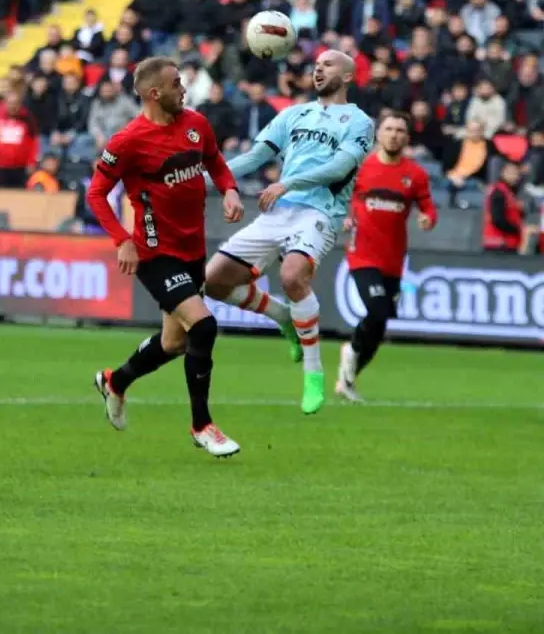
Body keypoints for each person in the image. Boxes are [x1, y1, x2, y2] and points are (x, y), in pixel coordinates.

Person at [85, 57, 245, 458]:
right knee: (203, 328)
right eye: (177, 83)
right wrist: (122, 239)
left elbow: (215, 162)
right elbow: (95, 194)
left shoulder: (196, 125)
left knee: (174, 343)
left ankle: (115, 380)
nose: (184, 88)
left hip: (193, 250)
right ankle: (202, 425)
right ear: (155, 93)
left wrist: (229, 189)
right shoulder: (127, 141)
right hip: (155, 252)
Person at [203, 50, 375, 415]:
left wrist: (288, 183)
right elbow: (253, 158)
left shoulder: (359, 122)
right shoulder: (294, 114)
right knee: (213, 281)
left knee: (292, 274)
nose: (318, 69)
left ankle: (313, 374)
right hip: (277, 212)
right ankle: (283, 317)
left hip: (319, 211)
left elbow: (339, 167)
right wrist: (202, 181)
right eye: (316, 65)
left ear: (347, 76)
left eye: (328, 65)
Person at [337, 112, 437, 402]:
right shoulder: (360, 168)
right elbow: (337, 196)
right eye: (389, 128)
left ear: (407, 138)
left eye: (400, 130)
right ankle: (351, 353)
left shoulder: (415, 174)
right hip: (362, 254)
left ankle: (348, 377)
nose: (394, 134)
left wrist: (428, 219)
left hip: (393, 260)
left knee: (379, 327)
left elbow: (428, 207)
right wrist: (342, 216)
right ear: (378, 134)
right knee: (378, 309)